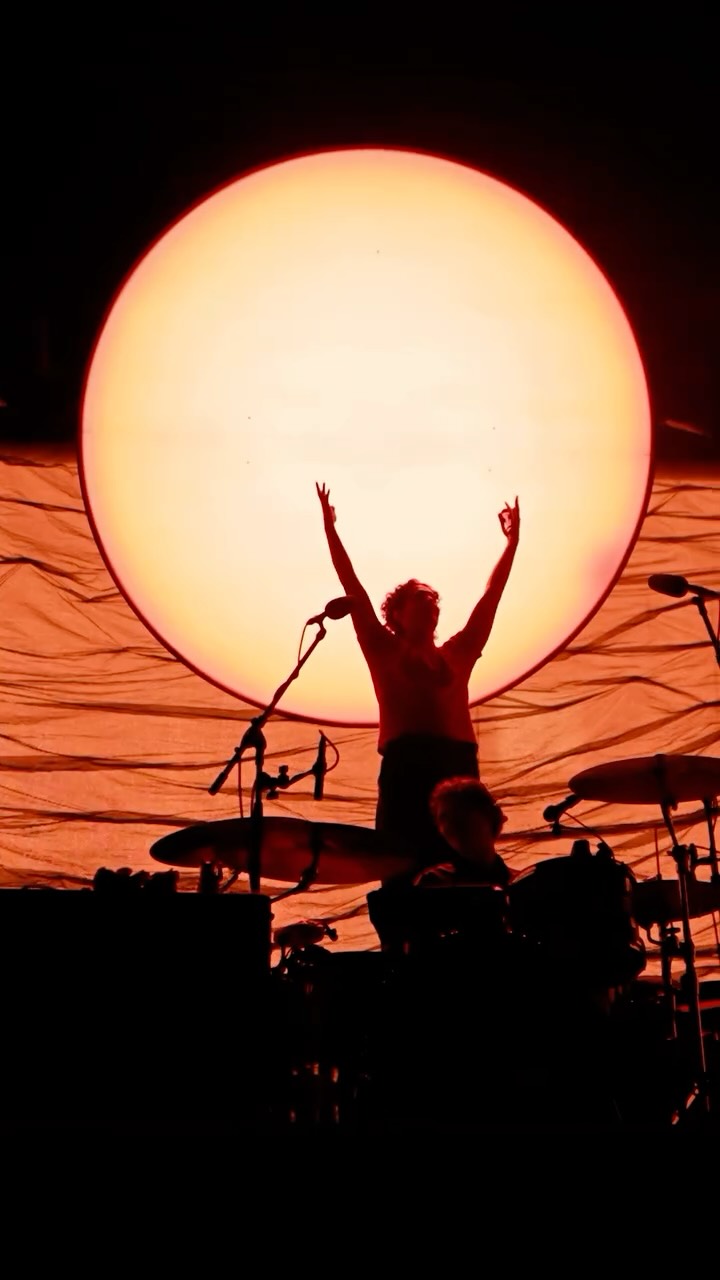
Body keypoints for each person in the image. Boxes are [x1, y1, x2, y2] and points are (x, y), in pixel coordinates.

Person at [315, 481, 520, 875]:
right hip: (405, 766)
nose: (430, 604)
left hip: (457, 766)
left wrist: (511, 544)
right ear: (397, 614)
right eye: (420, 599)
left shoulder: (458, 653)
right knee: (401, 862)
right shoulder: (382, 648)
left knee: (467, 866)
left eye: (433, 600)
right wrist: (330, 528)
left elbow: (491, 597)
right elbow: (351, 583)